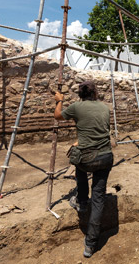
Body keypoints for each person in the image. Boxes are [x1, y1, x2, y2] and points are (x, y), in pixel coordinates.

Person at [54, 80, 113, 259]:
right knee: (99, 197)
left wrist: (59, 100)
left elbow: (57, 116)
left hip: (87, 159)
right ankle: (90, 244)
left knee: (78, 163)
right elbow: (99, 131)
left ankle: (81, 201)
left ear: (80, 95)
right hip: (105, 156)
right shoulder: (104, 108)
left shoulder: (77, 107)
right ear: (95, 93)